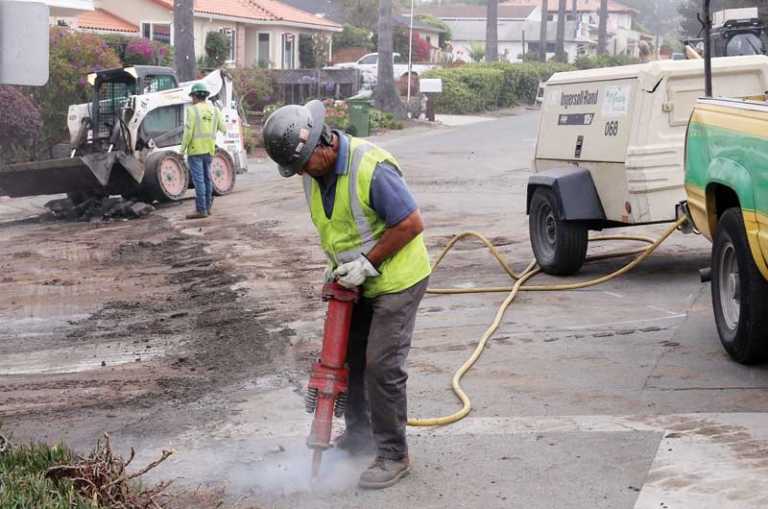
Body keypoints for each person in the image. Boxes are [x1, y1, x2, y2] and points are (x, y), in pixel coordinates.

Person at [263, 100, 431, 489]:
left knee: (381, 366)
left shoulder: (370, 168)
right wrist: (338, 265)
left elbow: (411, 222)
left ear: (323, 143)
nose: (302, 171)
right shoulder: (310, 170)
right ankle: (358, 437)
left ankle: (393, 454)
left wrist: (368, 263)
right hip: (355, 281)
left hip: (396, 279)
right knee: (349, 362)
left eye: (305, 162)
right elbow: (338, 225)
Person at [181, 82, 225, 219]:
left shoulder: (192, 110)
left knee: (199, 181)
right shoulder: (214, 110)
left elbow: (188, 132)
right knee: (207, 179)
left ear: (194, 96)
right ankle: (207, 207)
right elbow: (223, 128)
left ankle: (201, 210)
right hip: (209, 150)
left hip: (195, 151)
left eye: (192, 96)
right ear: (205, 96)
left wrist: (182, 150)